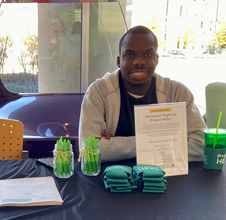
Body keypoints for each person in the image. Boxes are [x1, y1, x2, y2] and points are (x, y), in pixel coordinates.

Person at [78, 25, 206, 162]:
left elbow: (201, 147)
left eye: (148, 55)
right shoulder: (98, 92)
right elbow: (89, 151)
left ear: (156, 60)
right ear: (119, 61)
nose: (139, 62)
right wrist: (169, 141)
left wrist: (116, 144)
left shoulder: (178, 93)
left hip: (165, 178)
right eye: (129, 55)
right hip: (110, 180)